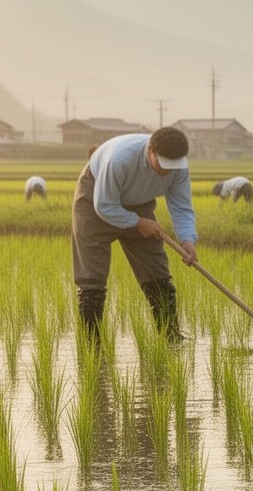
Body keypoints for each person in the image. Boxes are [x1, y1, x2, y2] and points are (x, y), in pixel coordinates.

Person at [72, 125, 197, 341]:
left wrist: (187, 239)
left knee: (158, 276)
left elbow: (181, 207)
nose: (167, 171)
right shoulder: (120, 159)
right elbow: (104, 205)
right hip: (95, 199)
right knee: (91, 282)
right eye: (162, 164)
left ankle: (172, 339)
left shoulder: (179, 169)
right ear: (150, 149)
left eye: (172, 166)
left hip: (140, 204)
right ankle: (92, 347)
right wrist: (136, 222)